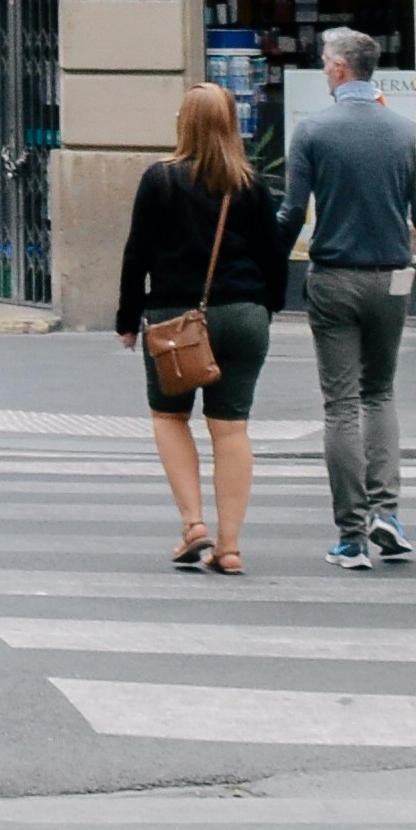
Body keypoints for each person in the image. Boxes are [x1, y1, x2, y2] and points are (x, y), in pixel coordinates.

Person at [116, 83, 292, 573]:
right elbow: (272, 257)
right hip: (243, 313)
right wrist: (265, 308)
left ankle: (194, 523)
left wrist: (128, 320)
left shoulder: (160, 181)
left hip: (175, 319)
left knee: (170, 417)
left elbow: (138, 256)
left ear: (183, 123)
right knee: (231, 429)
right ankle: (229, 547)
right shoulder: (251, 184)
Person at [285, 26, 416, 569]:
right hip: (392, 278)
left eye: (323, 61)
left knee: (341, 404)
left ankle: (351, 534)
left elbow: (292, 212)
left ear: (340, 68)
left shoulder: (312, 131)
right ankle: (388, 511)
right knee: (380, 393)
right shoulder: (406, 132)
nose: (322, 68)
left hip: (335, 276)